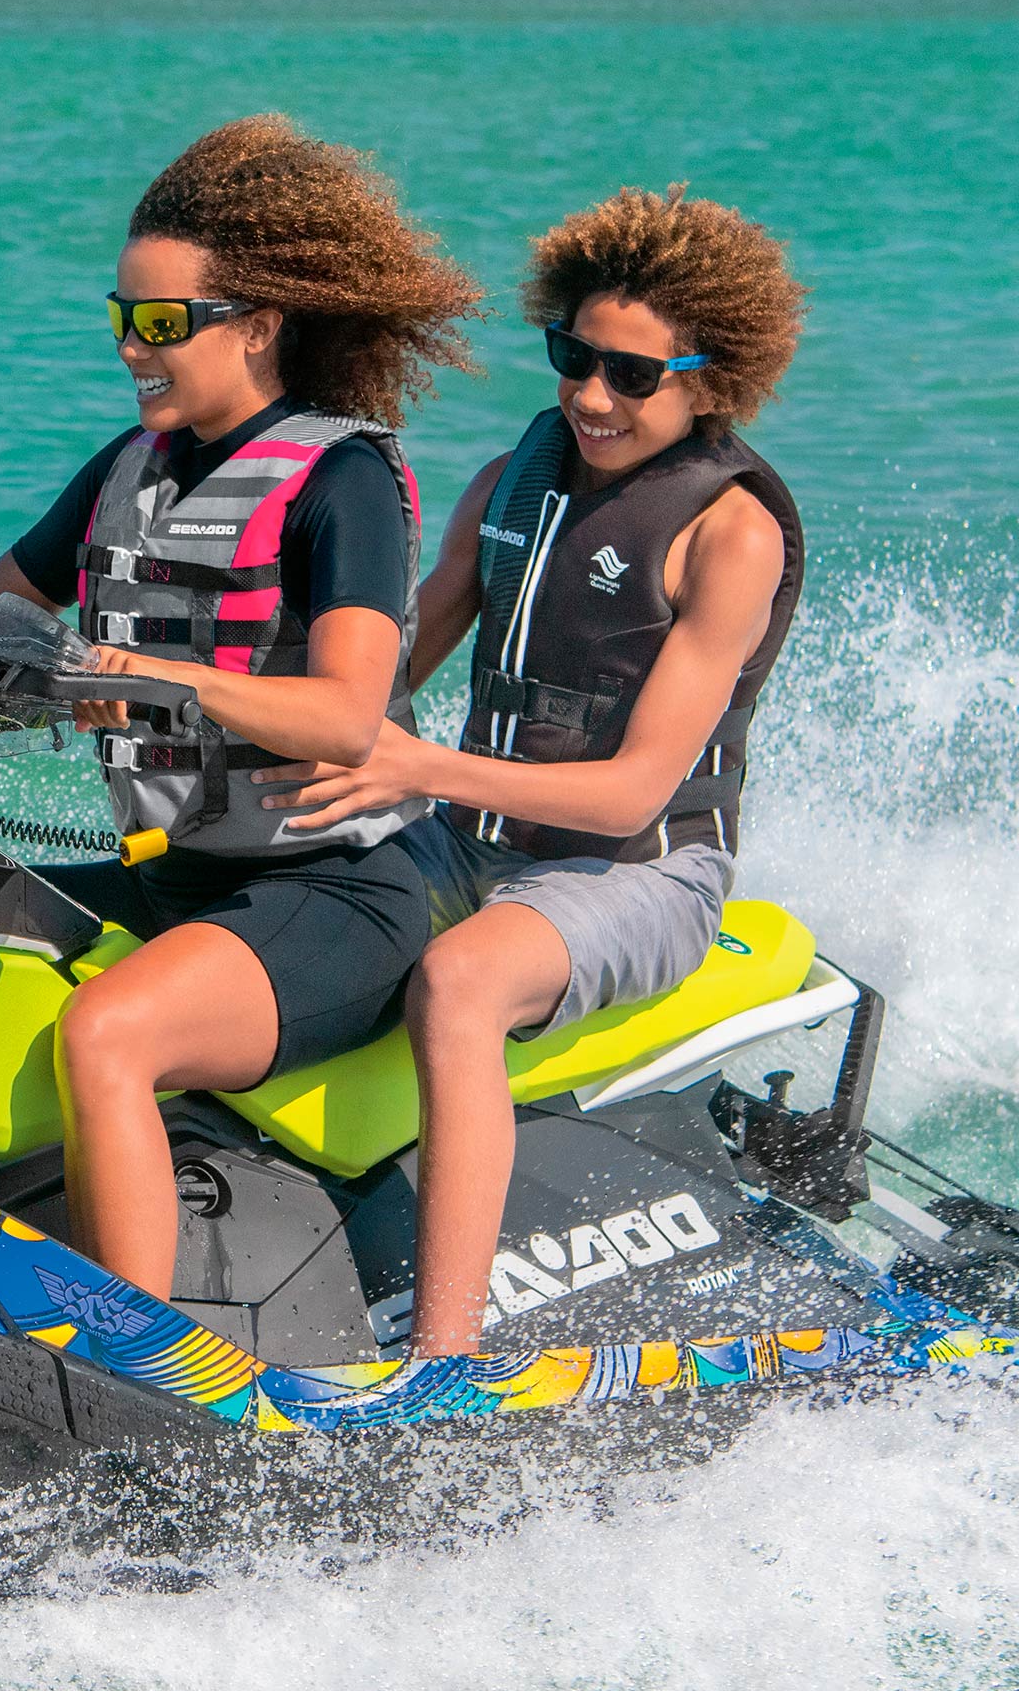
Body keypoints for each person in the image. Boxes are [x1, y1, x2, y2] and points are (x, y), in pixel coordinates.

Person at [0, 116, 480, 1298]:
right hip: (175, 870)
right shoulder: (125, 469)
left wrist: (141, 680)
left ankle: (128, 1372)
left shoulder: (342, 482)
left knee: (108, 1034)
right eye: (120, 316)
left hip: (325, 890)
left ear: (261, 326)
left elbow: (349, 714)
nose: (133, 347)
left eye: (161, 324)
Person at [256, 186, 808, 1358]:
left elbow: (630, 794)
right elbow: (388, 670)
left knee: (456, 986)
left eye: (634, 376)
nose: (592, 396)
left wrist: (416, 765)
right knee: (260, 869)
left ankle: (442, 1365)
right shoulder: (513, 482)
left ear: (714, 380)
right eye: (574, 356)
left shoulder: (730, 533)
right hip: (472, 839)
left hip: (638, 873)